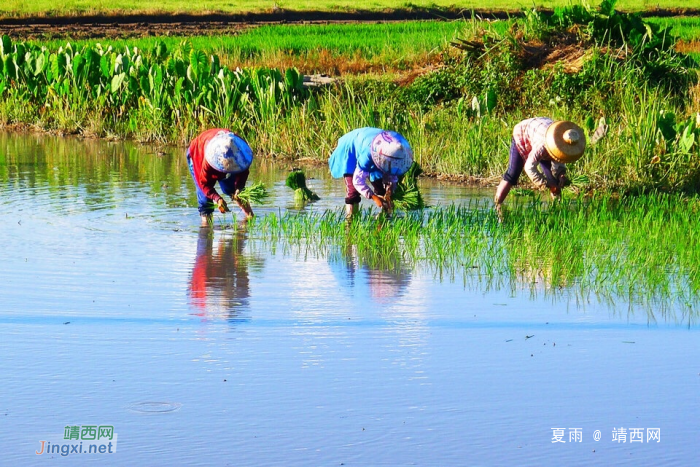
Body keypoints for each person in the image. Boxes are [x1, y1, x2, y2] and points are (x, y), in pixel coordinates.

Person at [494, 118, 586, 208]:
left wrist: (561, 174)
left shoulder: (563, 141)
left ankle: (558, 209)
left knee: (555, 180)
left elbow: (560, 158)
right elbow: (529, 167)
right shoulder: (541, 146)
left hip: (542, 132)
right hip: (523, 132)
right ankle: (497, 206)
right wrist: (546, 184)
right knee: (512, 174)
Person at [329, 127, 413, 218]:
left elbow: (391, 173)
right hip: (352, 147)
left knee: (381, 188)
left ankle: (384, 218)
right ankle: (351, 220)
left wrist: (389, 189)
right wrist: (374, 197)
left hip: (375, 146)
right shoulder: (367, 155)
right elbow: (358, 181)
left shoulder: (395, 148)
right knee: (352, 192)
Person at [186, 128, 254, 226]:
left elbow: (243, 171)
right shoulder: (208, 161)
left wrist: (239, 186)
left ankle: (250, 217)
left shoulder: (238, 150)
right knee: (205, 200)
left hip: (225, 151)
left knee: (233, 190)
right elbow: (204, 184)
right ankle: (206, 229)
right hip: (197, 152)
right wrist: (217, 199)